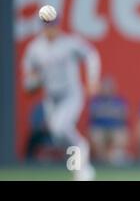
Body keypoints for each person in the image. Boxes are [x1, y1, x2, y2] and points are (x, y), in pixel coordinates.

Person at [22, 18, 100, 180]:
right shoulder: (35, 49)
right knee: (57, 136)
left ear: (58, 26)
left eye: (53, 26)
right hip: (51, 98)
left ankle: (81, 150)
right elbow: (28, 81)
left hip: (71, 95)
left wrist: (92, 79)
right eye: (47, 26)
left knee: (60, 127)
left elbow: (92, 55)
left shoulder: (69, 43)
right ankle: (81, 166)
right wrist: (34, 82)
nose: (50, 29)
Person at [89, 76, 129, 165]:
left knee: (121, 134)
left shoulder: (120, 101)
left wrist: (106, 112)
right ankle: (103, 159)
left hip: (115, 128)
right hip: (100, 128)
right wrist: (110, 112)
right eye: (105, 87)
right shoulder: (96, 100)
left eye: (109, 87)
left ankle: (115, 158)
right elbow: (94, 116)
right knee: (96, 135)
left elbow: (123, 116)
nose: (107, 89)